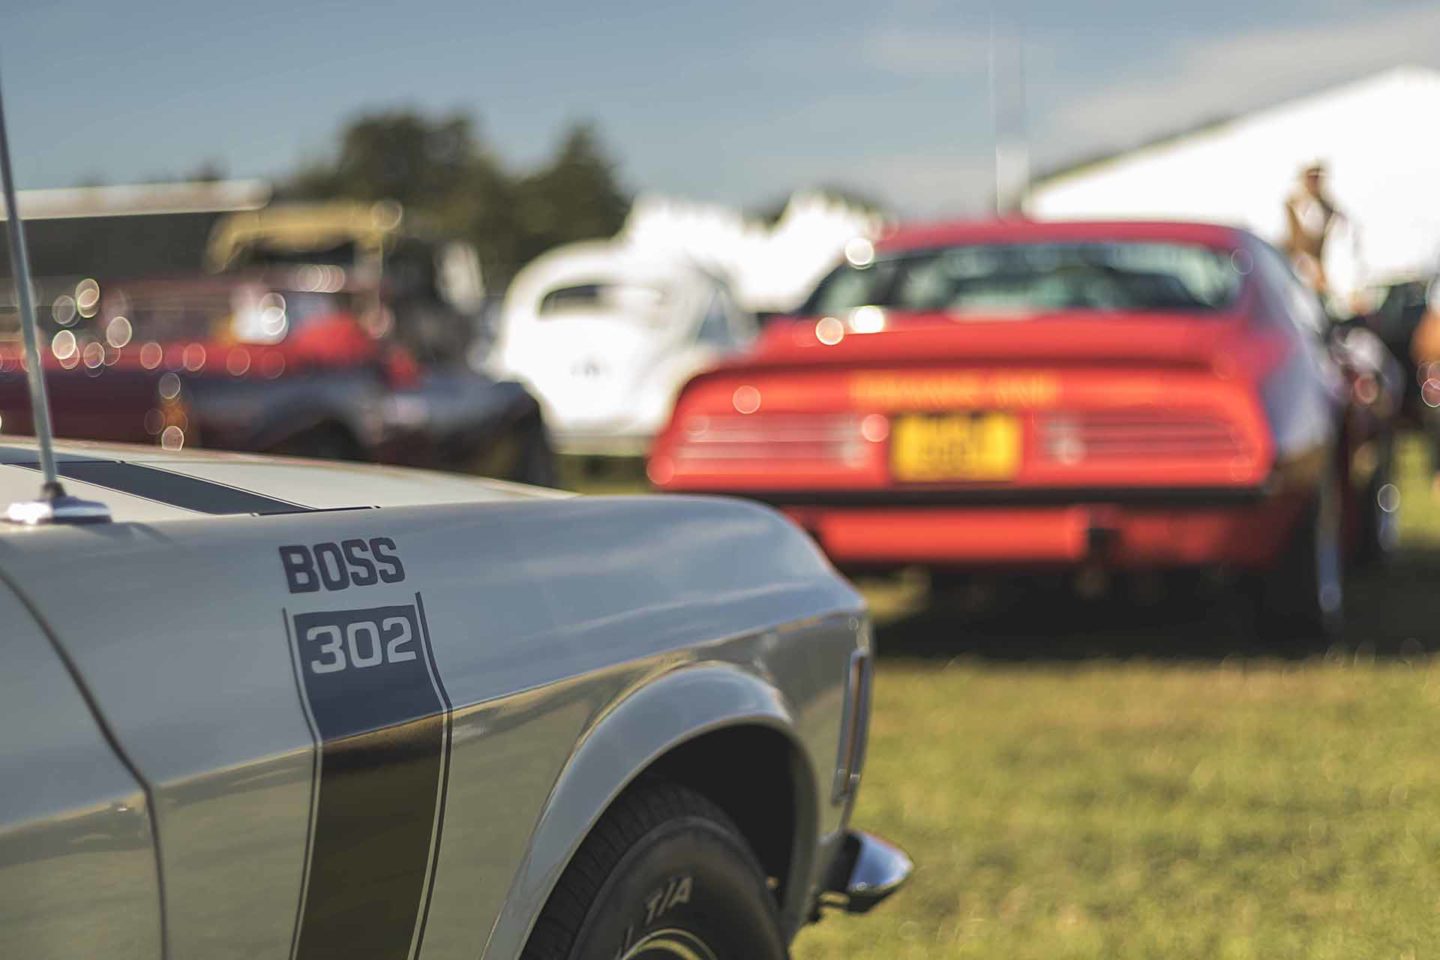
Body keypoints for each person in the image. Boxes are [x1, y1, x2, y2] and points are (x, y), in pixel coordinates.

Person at [1283, 162, 1343, 295]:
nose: (1315, 183)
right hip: (1298, 273)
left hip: (1317, 278)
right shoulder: (1292, 206)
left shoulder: (1329, 209)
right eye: (1312, 178)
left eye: (1318, 178)